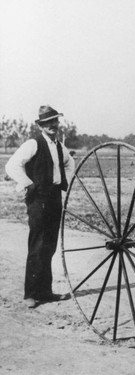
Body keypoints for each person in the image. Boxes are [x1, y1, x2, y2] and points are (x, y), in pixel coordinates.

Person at [5, 105, 75, 308]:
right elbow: (11, 166)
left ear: (58, 123)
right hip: (38, 200)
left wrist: (64, 183)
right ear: (41, 125)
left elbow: (70, 164)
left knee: (50, 246)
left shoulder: (59, 146)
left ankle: (45, 291)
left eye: (54, 121)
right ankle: (31, 294)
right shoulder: (33, 144)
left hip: (54, 198)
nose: (52, 125)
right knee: (37, 245)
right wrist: (28, 183)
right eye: (47, 122)